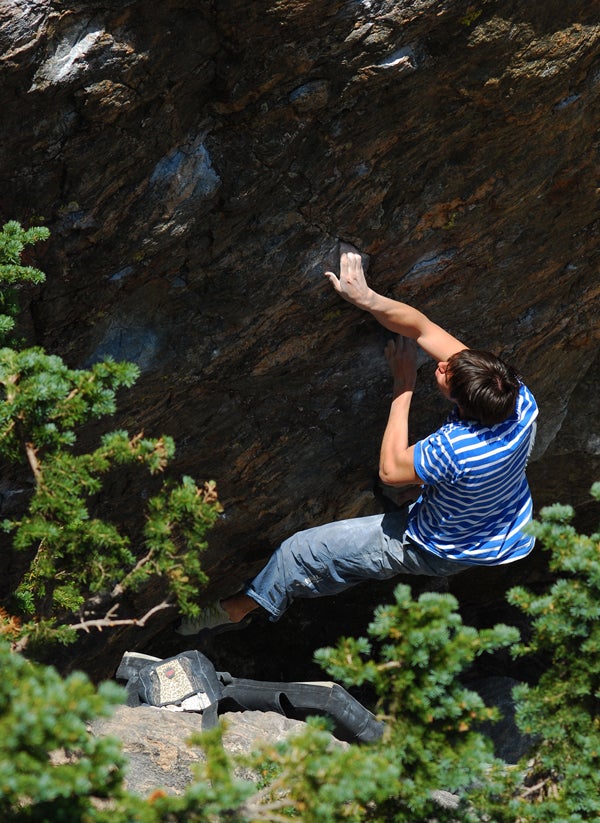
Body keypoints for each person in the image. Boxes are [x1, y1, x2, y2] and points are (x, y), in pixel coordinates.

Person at [177, 248, 538, 636]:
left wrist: (404, 384)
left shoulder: (455, 448)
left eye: (446, 373)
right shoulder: (514, 398)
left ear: (461, 404)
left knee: (300, 552)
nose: (443, 362)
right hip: (504, 527)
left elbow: (391, 470)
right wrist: (368, 299)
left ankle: (236, 608)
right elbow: (423, 329)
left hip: (439, 545)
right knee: (375, 524)